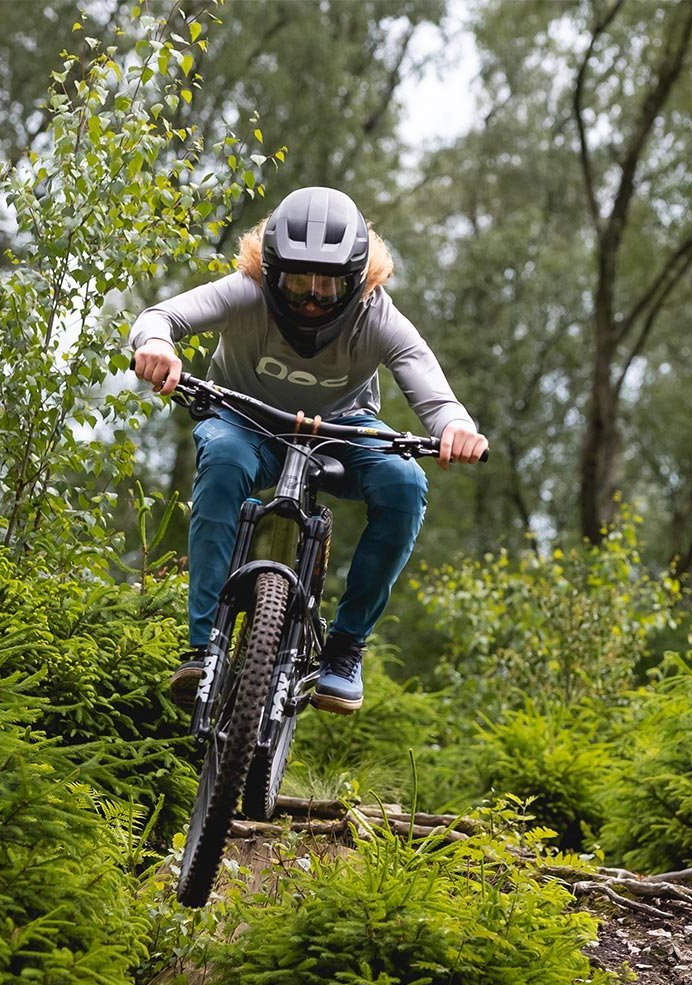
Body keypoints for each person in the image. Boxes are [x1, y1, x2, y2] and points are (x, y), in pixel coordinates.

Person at [130, 186, 487, 714]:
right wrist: (157, 344)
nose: (313, 299)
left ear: (357, 280)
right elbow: (160, 317)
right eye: (297, 282)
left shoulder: (376, 315)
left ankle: (344, 648)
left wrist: (456, 426)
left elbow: (432, 388)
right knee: (223, 461)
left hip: (342, 431)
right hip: (245, 422)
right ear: (271, 272)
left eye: (329, 284)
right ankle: (204, 648)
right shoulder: (246, 293)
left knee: (405, 483)